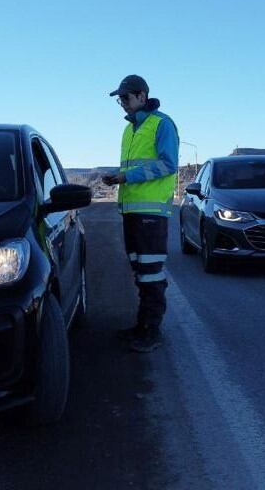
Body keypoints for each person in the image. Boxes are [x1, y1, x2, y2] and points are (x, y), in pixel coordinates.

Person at [102, 75, 179, 353]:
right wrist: (118, 179)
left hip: (151, 214)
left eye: (125, 98)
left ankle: (151, 331)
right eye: (119, 99)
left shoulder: (161, 124)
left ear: (142, 96)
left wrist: (126, 177)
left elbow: (168, 165)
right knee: (139, 272)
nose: (122, 103)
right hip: (132, 212)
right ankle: (142, 326)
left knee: (150, 274)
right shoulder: (131, 129)